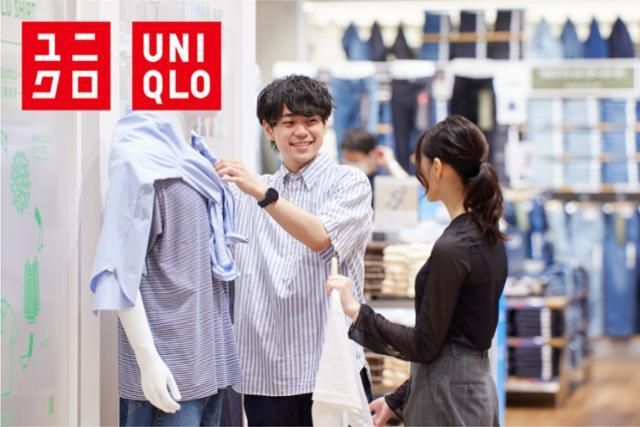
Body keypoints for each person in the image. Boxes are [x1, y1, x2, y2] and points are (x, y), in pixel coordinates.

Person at [327, 115, 508, 427]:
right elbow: (448, 341)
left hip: (449, 396)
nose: (418, 173)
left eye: (419, 164)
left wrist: (356, 310)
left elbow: (425, 344)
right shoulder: (486, 236)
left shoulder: (453, 247)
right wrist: (398, 399)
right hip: (467, 388)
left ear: (436, 167)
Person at [214, 75, 373, 426]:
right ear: (268, 129)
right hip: (264, 373)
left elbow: (320, 237)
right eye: (289, 123)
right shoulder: (244, 193)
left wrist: (263, 194)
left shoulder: (348, 183)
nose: (302, 132)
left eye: (311, 121)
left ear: (325, 124)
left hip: (330, 368)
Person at [90, 111, 243, 426]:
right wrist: (146, 357)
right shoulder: (141, 162)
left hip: (209, 362)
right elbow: (121, 270)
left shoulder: (199, 161)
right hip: (169, 370)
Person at [341, 128, 409, 191]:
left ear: (371, 156)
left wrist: (391, 163)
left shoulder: (381, 181)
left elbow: (409, 189)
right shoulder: (342, 179)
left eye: (355, 161)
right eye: (347, 160)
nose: (349, 165)